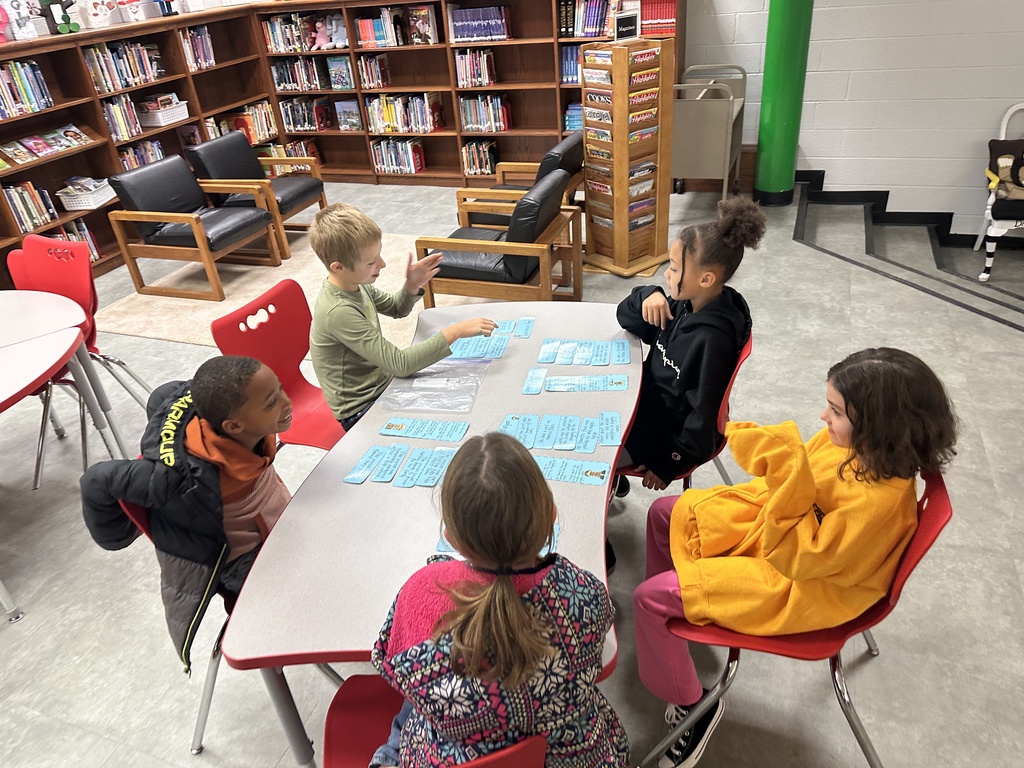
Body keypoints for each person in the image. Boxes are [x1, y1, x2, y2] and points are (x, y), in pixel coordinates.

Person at [633, 348, 958, 768]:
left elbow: (800, 560)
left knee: (649, 599)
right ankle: (677, 626)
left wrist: (785, 474)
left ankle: (693, 707)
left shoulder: (876, 508)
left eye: (835, 411)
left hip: (804, 585)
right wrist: (779, 470)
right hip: (787, 538)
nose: (823, 417)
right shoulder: (854, 446)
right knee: (666, 514)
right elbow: (799, 488)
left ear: (879, 427)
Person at [368, 433, 630, 768]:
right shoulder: (583, 591)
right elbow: (600, 640)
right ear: (551, 514)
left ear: (451, 539)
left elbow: (389, 663)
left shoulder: (421, 593)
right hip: (569, 755)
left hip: (453, 758)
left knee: (410, 709)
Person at [80, 356, 294, 672]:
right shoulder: (177, 479)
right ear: (234, 426)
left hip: (279, 522)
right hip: (244, 561)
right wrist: (119, 534)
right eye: (272, 402)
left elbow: (166, 394)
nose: (288, 403)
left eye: (281, 390)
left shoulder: (243, 423)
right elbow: (97, 480)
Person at [614, 197, 765, 497]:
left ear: (706, 279)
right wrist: (648, 294)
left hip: (659, 433)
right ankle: (612, 478)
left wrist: (669, 462)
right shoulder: (682, 304)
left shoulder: (714, 341)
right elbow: (625, 318)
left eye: (673, 268)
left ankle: (607, 478)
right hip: (639, 405)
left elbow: (704, 417)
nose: (666, 274)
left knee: (584, 458)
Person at [308, 203, 496, 430]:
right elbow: (401, 364)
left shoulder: (355, 284)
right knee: (454, 419)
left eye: (378, 255)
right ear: (338, 267)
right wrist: (455, 331)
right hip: (360, 409)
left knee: (466, 393)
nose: (382, 264)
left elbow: (395, 308)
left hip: (383, 384)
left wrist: (412, 285)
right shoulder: (338, 311)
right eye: (371, 262)